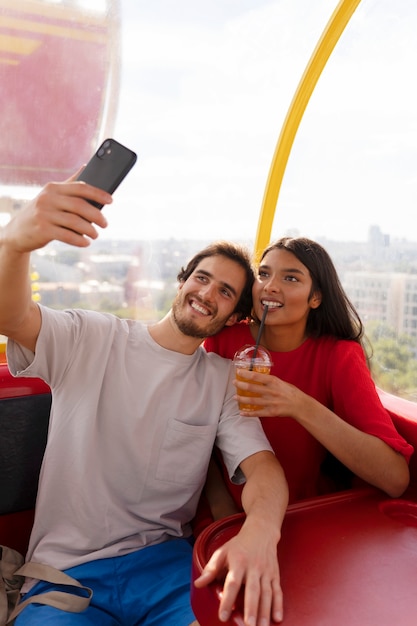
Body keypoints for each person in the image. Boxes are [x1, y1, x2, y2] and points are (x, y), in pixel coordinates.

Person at [0, 176, 289, 626]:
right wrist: (15, 245)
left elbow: (264, 470)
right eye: (202, 278)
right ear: (182, 282)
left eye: (226, 292)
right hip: (67, 575)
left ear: (236, 316)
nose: (207, 295)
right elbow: (11, 316)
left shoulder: (222, 381)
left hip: (169, 572)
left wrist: (260, 532)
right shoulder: (91, 337)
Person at [198, 236, 413, 527]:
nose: (270, 286)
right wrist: (221, 508)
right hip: (221, 514)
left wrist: (299, 405)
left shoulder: (338, 356)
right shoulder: (222, 339)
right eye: (263, 274)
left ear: (316, 297)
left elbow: (395, 478)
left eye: (290, 278)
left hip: (306, 516)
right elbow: (198, 436)